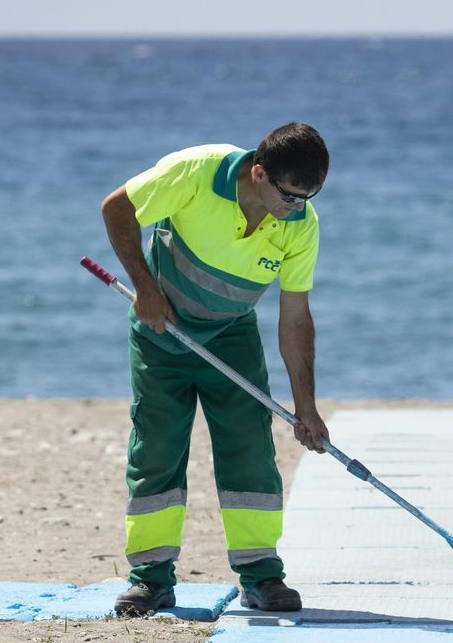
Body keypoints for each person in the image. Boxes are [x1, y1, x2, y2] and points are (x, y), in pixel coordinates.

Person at [99, 123, 331, 616]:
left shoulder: (301, 223)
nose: (298, 208)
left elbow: (295, 319)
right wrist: (145, 288)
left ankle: (262, 574)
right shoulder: (196, 171)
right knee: (157, 449)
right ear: (260, 173)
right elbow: (116, 208)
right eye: (290, 196)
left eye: (309, 197)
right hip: (162, 330)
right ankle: (150, 579)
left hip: (232, 336)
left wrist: (306, 408)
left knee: (250, 450)